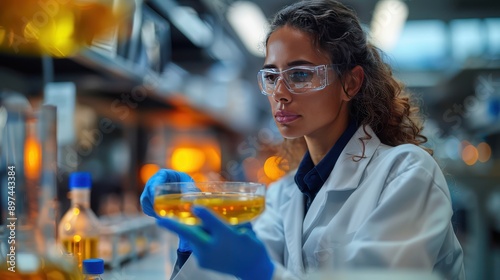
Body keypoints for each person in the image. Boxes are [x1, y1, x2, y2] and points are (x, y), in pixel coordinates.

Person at [140, 1, 465, 279]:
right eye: (271, 76)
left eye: (299, 74)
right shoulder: (285, 194)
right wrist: (194, 231)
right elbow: (237, 271)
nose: (279, 93)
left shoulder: (406, 174)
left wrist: (263, 272)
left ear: (350, 83)